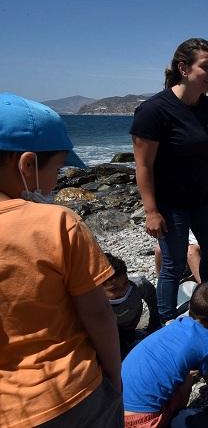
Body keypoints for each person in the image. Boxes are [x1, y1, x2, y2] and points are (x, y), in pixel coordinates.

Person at [0, 93, 122, 427]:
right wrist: (113, 376)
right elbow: (97, 314)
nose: (56, 180)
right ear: (27, 165)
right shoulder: (55, 223)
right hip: (70, 395)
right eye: (57, 167)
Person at [131, 38, 208, 323]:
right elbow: (144, 165)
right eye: (206, 68)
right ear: (183, 68)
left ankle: (207, 311)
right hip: (170, 205)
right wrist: (151, 211)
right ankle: (165, 321)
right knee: (173, 264)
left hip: (203, 199)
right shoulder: (154, 110)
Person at [122, 281, 208, 427]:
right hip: (143, 420)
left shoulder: (177, 323)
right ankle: (175, 418)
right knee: (187, 378)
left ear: (190, 306)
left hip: (115, 406)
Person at [103, 253, 160, 358]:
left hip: (131, 328)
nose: (123, 291)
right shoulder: (95, 307)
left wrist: (154, 322)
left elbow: (153, 300)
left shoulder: (139, 286)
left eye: (125, 283)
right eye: (113, 290)